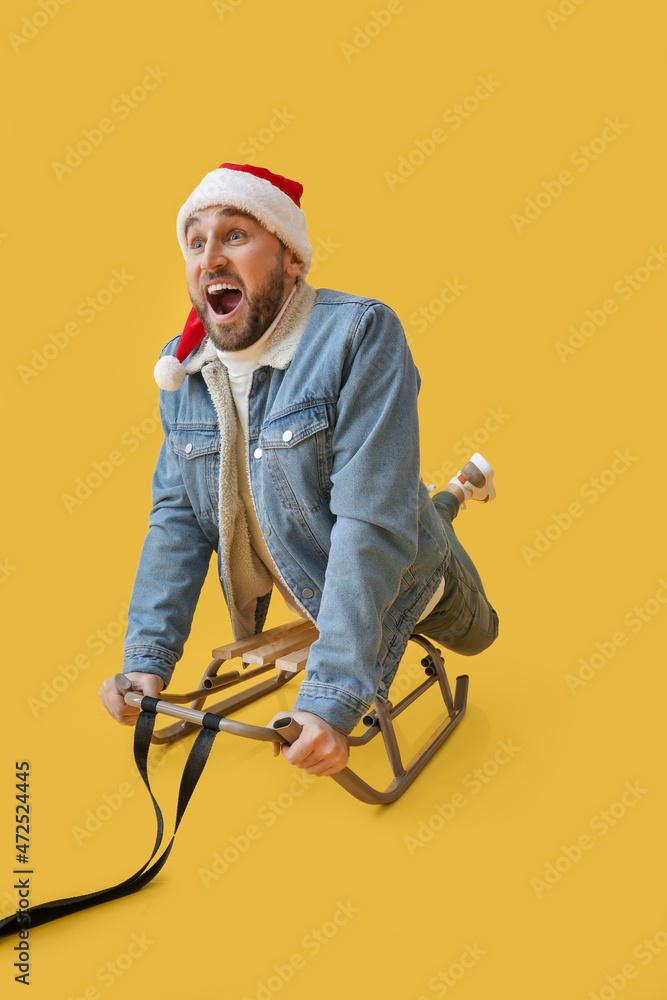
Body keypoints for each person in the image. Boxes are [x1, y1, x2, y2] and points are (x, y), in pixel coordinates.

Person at [99, 162, 499, 776]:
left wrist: (331, 698)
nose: (210, 258)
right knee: (413, 498)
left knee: (479, 628)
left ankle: (457, 493)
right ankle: (447, 490)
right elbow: (177, 521)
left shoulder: (360, 334)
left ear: (291, 258)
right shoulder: (182, 374)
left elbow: (372, 524)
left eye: (235, 235)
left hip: (410, 571)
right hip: (316, 575)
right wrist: (146, 661)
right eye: (196, 241)